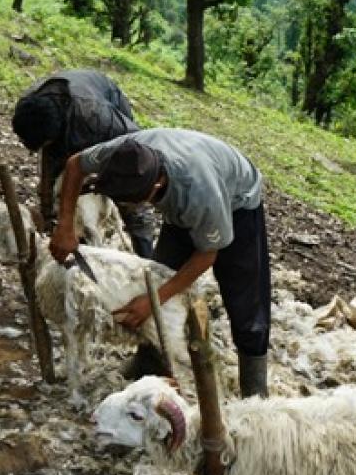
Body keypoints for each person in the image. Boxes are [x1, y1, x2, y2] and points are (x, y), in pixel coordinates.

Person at [48, 128, 271, 398]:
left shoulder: (200, 193)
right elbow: (75, 165)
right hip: (183, 199)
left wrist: (153, 300)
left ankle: (254, 389)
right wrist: (65, 225)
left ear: (155, 186)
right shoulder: (123, 153)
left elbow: (207, 255)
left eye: (135, 202)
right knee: (155, 276)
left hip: (237, 201)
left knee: (245, 298)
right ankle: (149, 361)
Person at [12, 69, 156, 257]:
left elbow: (139, 149)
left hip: (107, 111)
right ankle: (53, 231)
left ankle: (146, 255)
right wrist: (57, 217)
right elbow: (51, 159)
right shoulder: (29, 109)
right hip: (65, 121)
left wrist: (110, 182)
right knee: (50, 189)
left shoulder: (98, 117)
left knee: (130, 196)